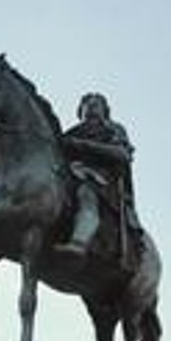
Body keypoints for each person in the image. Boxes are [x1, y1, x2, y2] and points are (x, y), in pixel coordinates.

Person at [54, 93, 137, 263]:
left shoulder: (112, 129)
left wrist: (83, 145)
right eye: (87, 104)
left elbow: (122, 154)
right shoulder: (71, 132)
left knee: (87, 193)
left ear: (105, 111)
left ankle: (79, 242)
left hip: (102, 179)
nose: (91, 107)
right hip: (70, 174)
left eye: (96, 104)